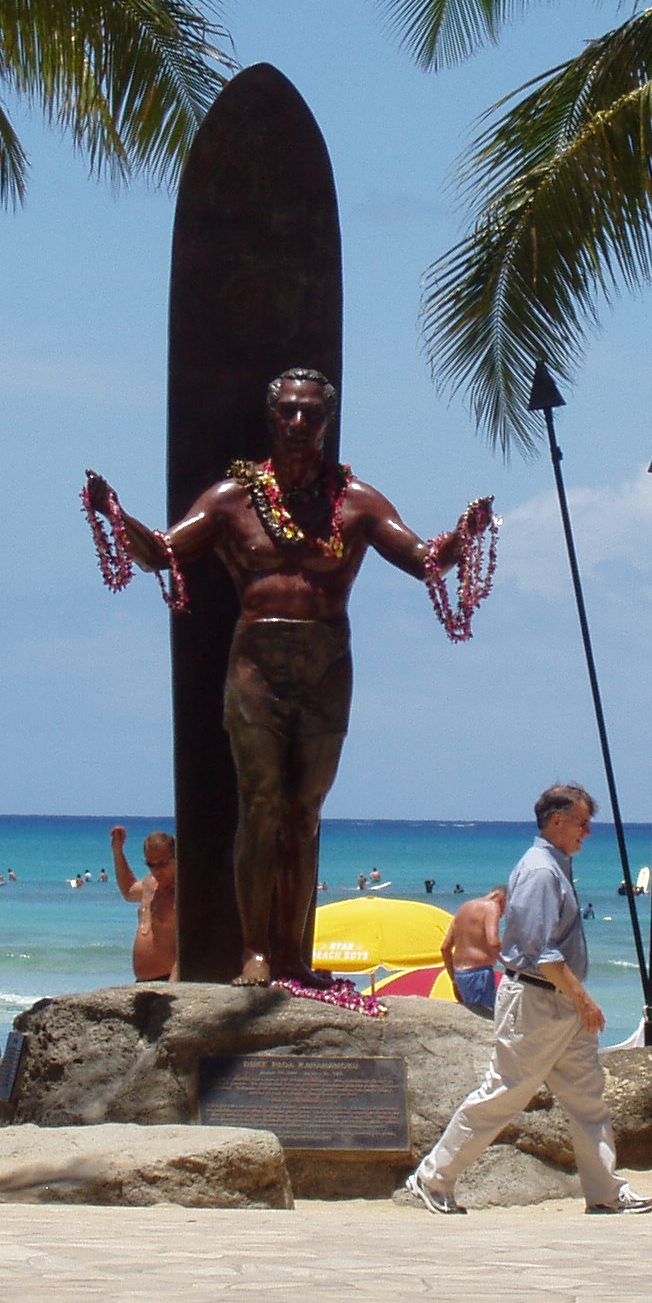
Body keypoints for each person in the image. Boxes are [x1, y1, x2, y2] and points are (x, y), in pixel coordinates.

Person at [87, 369, 492, 983]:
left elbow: (422, 560)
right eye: (288, 413)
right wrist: (116, 514)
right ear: (272, 418)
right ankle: (254, 950)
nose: (300, 424)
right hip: (256, 666)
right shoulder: (231, 500)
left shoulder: (357, 503)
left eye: (312, 414)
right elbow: (164, 553)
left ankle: (292, 954)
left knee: (304, 815)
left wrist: (465, 535)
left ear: (328, 422)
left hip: (326, 666)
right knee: (262, 807)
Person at [404, 783, 652, 1216]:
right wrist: (584, 999)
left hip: (561, 1002)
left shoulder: (555, 866)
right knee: (503, 1094)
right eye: (582, 823)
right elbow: (542, 952)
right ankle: (432, 1178)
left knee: (588, 1100)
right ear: (558, 821)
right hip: (538, 1001)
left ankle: (604, 1191)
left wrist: (576, 1000)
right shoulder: (541, 871)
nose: (587, 832)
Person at [111, 827, 179, 980]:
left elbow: (190, 944)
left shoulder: (182, 894)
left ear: (177, 858)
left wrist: (174, 984)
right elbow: (129, 891)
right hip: (143, 981)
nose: (156, 870)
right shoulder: (150, 882)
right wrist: (117, 851)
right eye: (151, 864)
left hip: (168, 979)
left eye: (163, 864)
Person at [443, 886, 507, 1016]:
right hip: (480, 974)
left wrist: (453, 980)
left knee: (470, 1017)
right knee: (486, 1019)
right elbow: (493, 942)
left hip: (460, 975)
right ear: (503, 899)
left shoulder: (464, 907)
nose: (504, 913)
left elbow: (445, 948)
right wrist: (511, 963)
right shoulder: (491, 906)